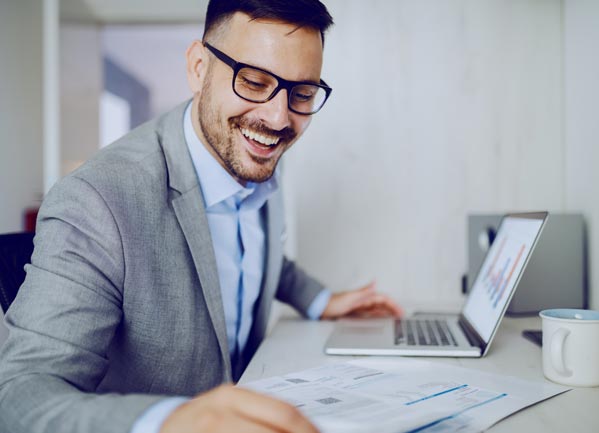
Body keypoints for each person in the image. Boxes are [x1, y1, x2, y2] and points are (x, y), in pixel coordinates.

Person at [0, 1, 403, 432]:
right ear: (197, 68)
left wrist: (322, 300)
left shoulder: (253, 149)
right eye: (253, 81)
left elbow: (261, 254)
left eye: (302, 94)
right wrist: (169, 422)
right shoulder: (97, 200)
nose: (278, 117)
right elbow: (20, 395)